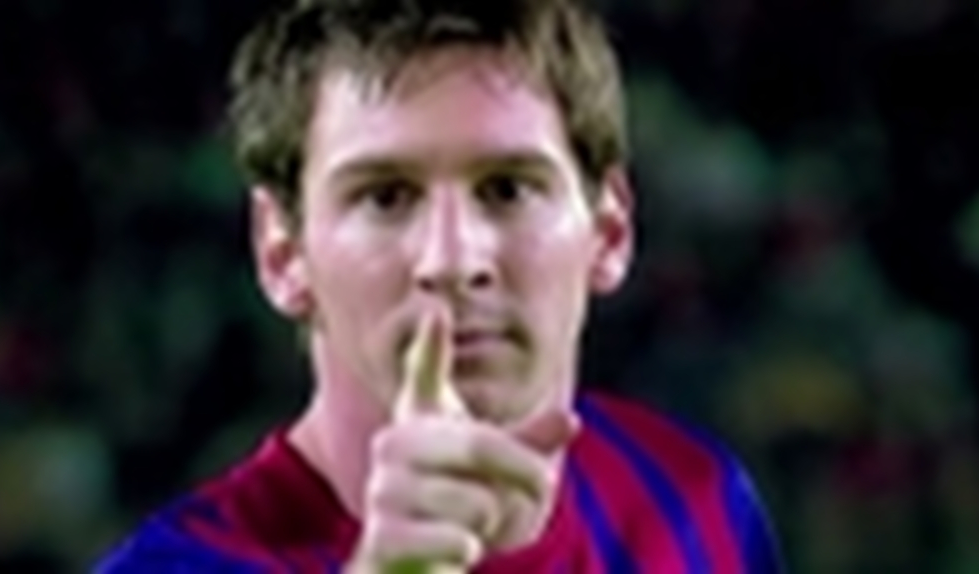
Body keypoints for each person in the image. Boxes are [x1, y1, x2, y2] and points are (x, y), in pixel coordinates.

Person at [97, 0, 782, 571]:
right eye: (385, 197)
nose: (452, 259)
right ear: (282, 253)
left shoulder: (697, 502)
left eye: (507, 189)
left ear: (609, 231)